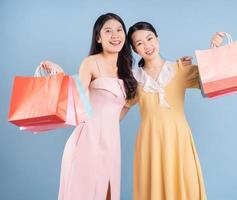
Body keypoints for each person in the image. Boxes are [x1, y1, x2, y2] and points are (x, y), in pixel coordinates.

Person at [123, 21, 223, 200]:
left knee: (187, 184)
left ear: (158, 39)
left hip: (179, 138)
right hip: (150, 142)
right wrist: (99, 127)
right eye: (139, 43)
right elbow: (122, 108)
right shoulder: (134, 78)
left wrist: (214, 50)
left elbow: (211, 81)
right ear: (135, 49)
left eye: (149, 38)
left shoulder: (179, 69)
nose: (147, 45)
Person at [43, 13, 137, 200]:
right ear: (98, 38)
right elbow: (78, 100)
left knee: (107, 194)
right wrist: (60, 75)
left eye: (119, 30)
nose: (115, 35)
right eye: (108, 31)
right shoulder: (91, 63)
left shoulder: (127, 69)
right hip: (87, 140)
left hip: (111, 143)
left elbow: (117, 114)